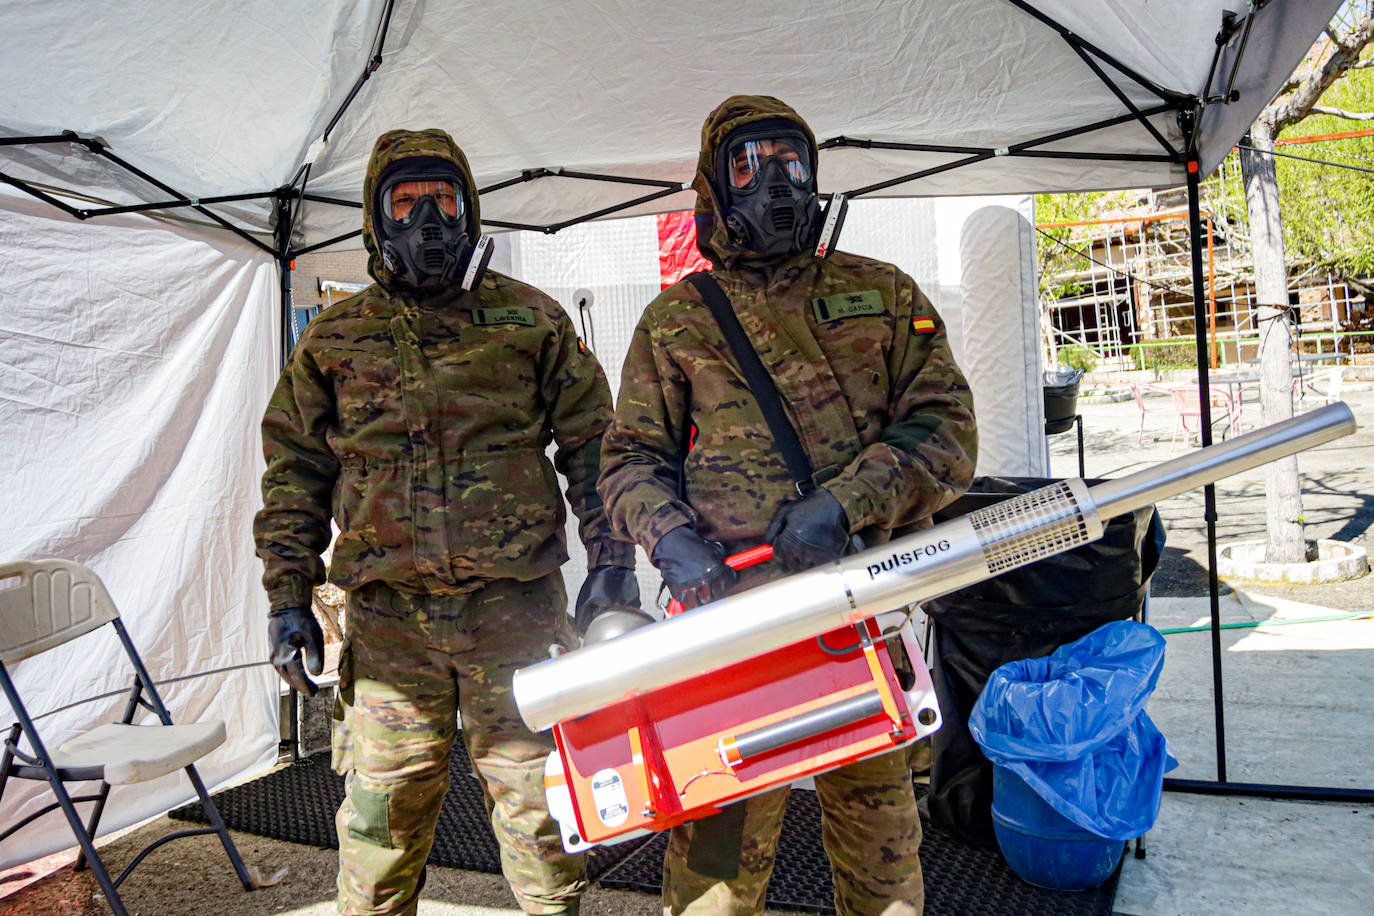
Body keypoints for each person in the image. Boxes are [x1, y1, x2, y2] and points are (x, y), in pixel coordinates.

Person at [597, 96, 978, 915]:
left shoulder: (881, 293)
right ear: (713, 187)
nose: (776, 181)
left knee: (883, 868)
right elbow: (629, 460)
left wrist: (846, 503)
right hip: (731, 631)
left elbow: (948, 430)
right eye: (749, 163)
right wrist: (669, 542)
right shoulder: (677, 322)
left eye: (791, 159)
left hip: (861, 612)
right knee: (717, 875)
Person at [254, 127, 638, 916]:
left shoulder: (530, 320)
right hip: (390, 621)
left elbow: (596, 449)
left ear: (469, 209)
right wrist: (288, 597)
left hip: (517, 614)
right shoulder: (335, 338)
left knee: (542, 819)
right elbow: (295, 470)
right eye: (406, 201)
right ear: (376, 219)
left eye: (443, 199)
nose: (428, 220)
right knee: (380, 833)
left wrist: (613, 562)